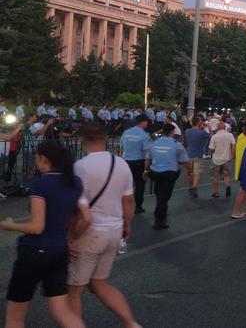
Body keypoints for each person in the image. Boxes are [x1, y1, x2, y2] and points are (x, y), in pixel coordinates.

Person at [1, 141, 89, 328]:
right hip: (59, 250)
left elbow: (37, 227)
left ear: (44, 159)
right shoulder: (76, 183)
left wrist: (10, 225)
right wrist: (70, 238)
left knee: (15, 315)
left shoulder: (40, 184)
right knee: (61, 310)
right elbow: (83, 217)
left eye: (36, 158)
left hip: (35, 250)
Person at [67, 124, 140, 328]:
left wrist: (70, 236)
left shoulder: (80, 167)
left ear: (82, 141)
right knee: (99, 283)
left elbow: (77, 209)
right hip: (114, 230)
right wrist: (128, 224)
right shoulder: (121, 164)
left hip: (89, 233)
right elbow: (128, 200)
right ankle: (130, 323)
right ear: (105, 140)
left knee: (74, 291)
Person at [146, 124, 188, 229]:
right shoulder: (177, 144)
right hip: (169, 173)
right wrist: (189, 170)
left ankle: (160, 210)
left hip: (155, 173)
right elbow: (184, 160)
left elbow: (148, 159)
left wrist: (146, 170)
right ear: (172, 132)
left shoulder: (154, 143)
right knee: (164, 197)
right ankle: (159, 220)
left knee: (159, 193)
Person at [118, 115, 151, 215]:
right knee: (140, 185)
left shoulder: (126, 132)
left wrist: (120, 161)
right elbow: (147, 154)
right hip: (139, 162)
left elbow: (121, 148)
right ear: (144, 122)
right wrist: (146, 169)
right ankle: (138, 207)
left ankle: (122, 205)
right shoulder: (145, 135)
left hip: (126, 161)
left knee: (126, 185)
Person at [208, 121, 236, 198]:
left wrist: (212, 152)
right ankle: (227, 186)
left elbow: (211, 149)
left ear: (217, 128)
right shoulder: (230, 135)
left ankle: (216, 192)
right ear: (225, 128)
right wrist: (233, 155)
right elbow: (233, 145)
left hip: (216, 159)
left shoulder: (214, 136)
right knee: (226, 175)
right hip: (227, 158)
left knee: (215, 176)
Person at [184, 117, 210, 199]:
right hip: (199, 154)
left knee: (189, 172)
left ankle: (190, 187)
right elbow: (210, 135)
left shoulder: (187, 131)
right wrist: (206, 127)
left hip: (189, 154)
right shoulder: (202, 133)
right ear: (199, 123)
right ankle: (195, 186)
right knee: (197, 172)